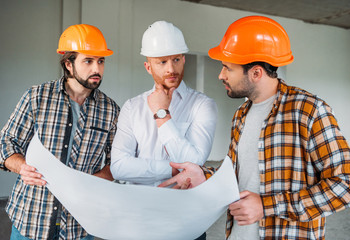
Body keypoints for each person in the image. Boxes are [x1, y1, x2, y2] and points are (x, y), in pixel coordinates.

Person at [159, 16, 350, 240]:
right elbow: (237, 175)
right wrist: (204, 175)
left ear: (256, 73)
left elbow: (348, 186)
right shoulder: (240, 116)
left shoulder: (309, 111)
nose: (221, 75)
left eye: (228, 68)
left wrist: (267, 206)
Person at [0, 24, 120, 240]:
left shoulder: (110, 110)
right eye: (88, 61)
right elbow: (6, 142)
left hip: (79, 225)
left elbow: (119, 162)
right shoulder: (36, 97)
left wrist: (94, 181)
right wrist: (22, 167)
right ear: (68, 64)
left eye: (101, 61)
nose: (97, 69)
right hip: (31, 220)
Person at [110, 21, 217, 240]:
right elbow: (119, 167)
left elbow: (195, 161)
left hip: (187, 223)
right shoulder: (133, 107)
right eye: (162, 62)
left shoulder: (202, 105)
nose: (171, 68)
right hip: (139, 222)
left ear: (184, 59)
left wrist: (161, 113)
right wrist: (175, 170)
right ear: (148, 67)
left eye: (176, 59)